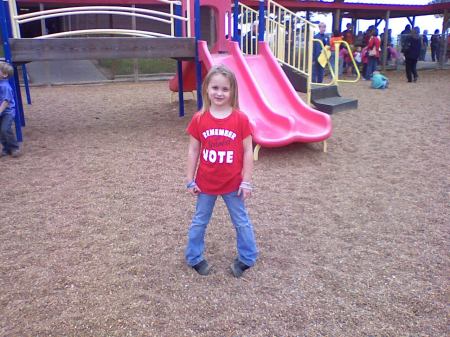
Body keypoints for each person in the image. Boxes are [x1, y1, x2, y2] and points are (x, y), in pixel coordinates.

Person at [184, 64, 258, 278]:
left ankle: (247, 257)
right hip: (205, 183)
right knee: (199, 220)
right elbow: (193, 149)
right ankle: (194, 257)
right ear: (206, 88)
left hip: (233, 183)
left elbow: (247, 151)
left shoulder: (240, 119)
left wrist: (247, 180)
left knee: (241, 221)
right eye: (215, 87)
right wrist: (190, 178)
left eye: (225, 89)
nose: (219, 93)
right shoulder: (199, 119)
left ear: (233, 91)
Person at [0, 62, 20, 158]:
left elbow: (6, 101)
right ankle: (6, 149)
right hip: (1, 112)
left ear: (4, 74)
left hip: (7, 112)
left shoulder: (5, 86)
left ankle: (14, 147)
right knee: (1, 130)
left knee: (5, 129)